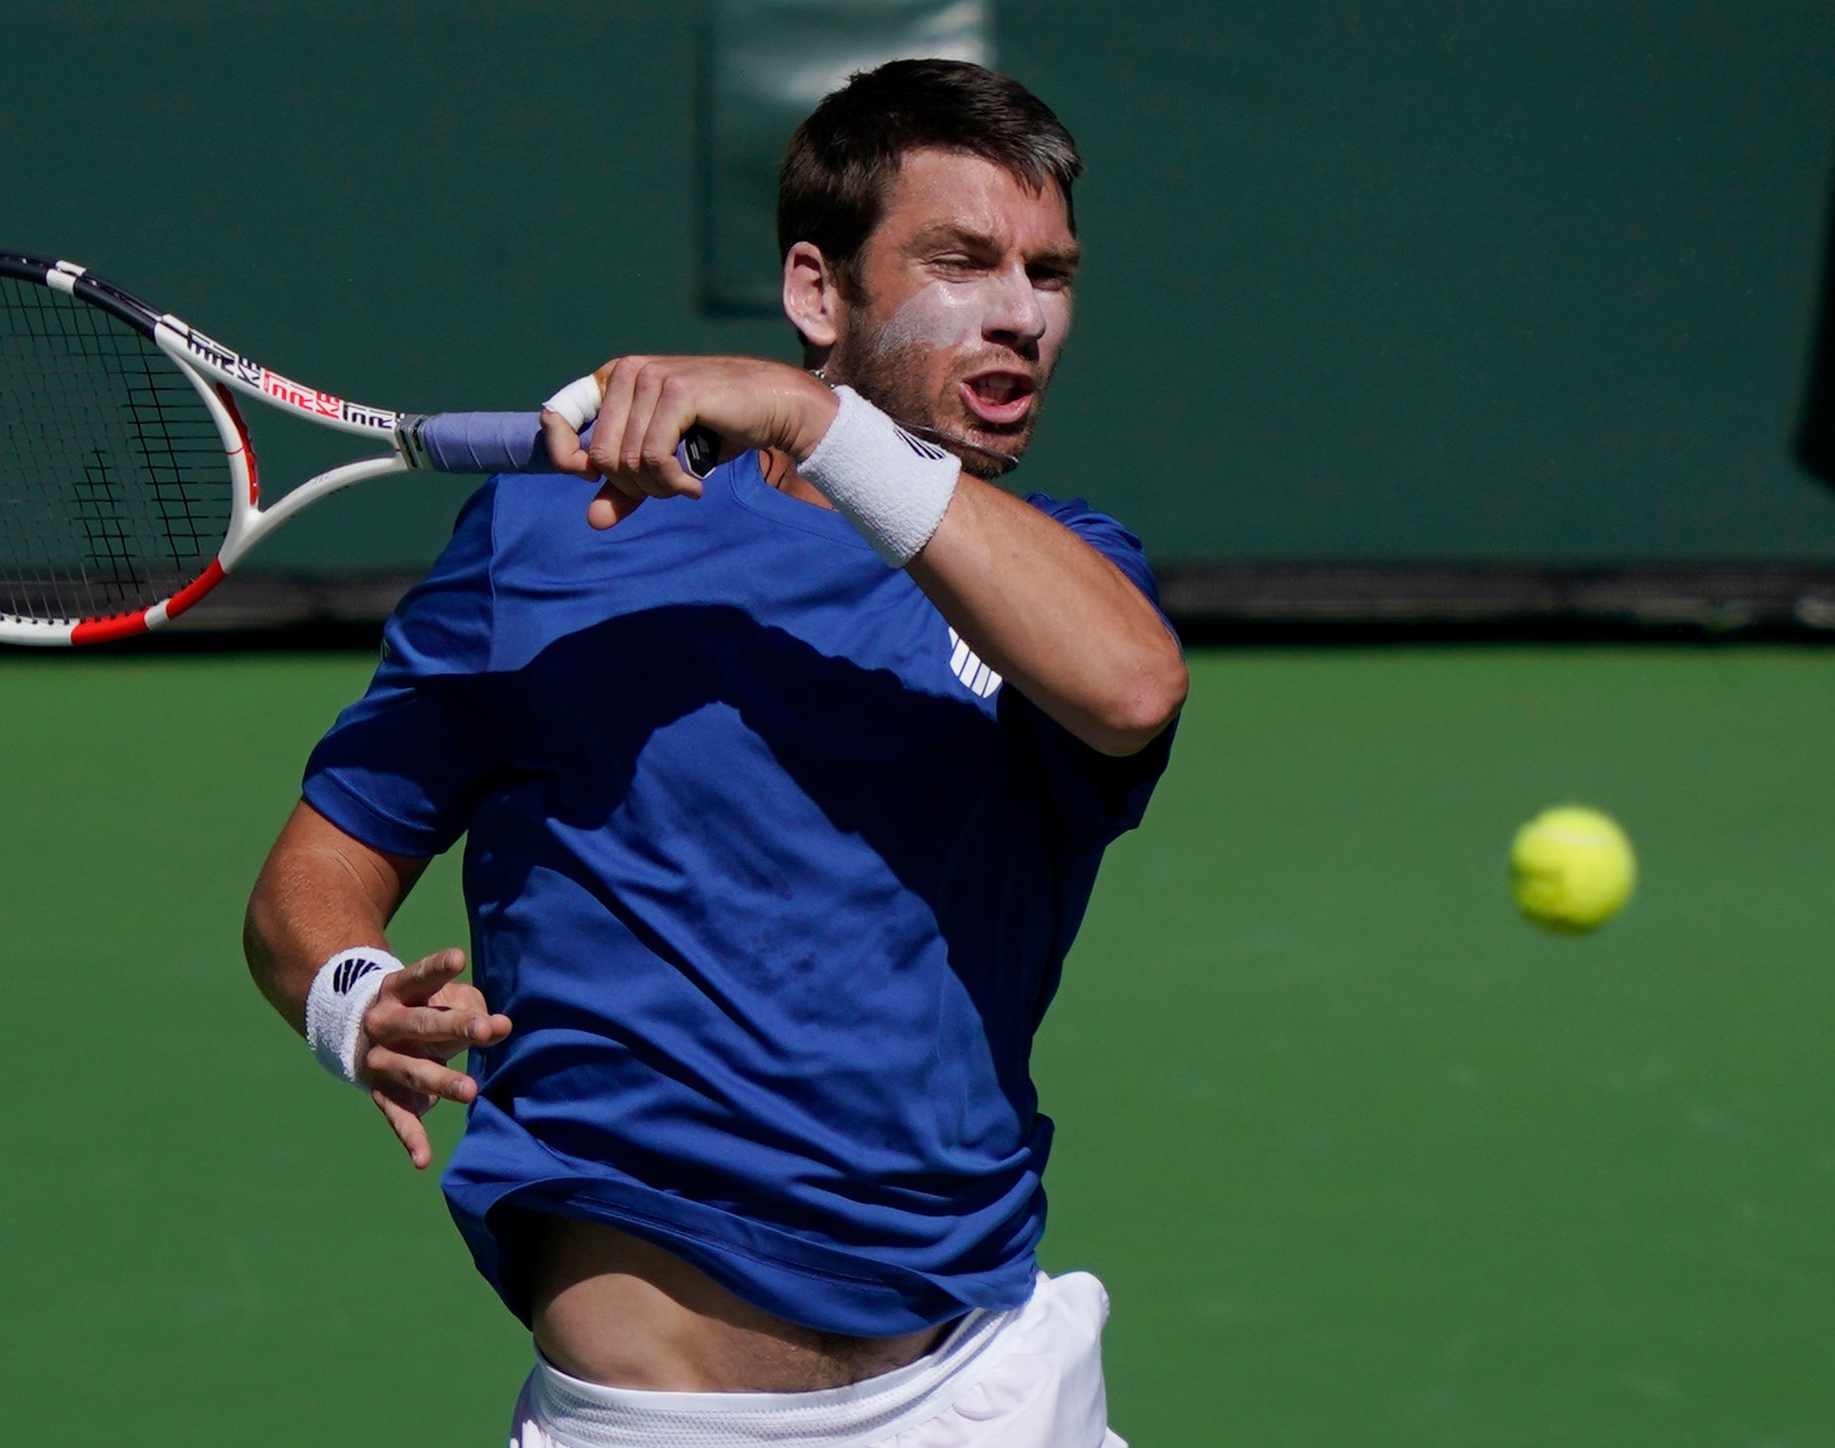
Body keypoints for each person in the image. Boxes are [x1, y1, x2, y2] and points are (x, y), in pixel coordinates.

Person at [243, 58, 1186, 1447]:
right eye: (962, 260)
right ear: (819, 291)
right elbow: (305, 892)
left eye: (1049, 274)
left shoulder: (1064, 574)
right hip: (654, 1416)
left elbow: (1129, 689)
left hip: (985, 1389)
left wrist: (817, 418)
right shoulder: (541, 540)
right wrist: (356, 997)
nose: (1019, 318)